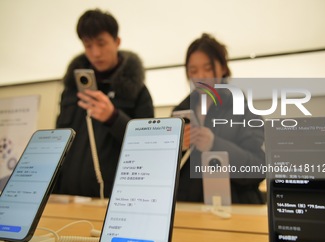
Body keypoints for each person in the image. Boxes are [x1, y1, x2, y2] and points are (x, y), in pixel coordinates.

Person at [53, 9, 154, 198]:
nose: (95, 53)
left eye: (101, 43)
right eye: (88, 45)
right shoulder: (71, 90)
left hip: (116, 198)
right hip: (67, 196)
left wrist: (114, 118)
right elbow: (60, 144)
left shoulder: (137, 90)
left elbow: (148, 146)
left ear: (117, 42)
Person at [173, 33, 265, 204]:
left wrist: (214, 145)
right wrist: (177, 149)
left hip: (235, 209)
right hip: (189, 210)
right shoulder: (180, 112)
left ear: (223, 68)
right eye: (193, 70)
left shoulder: (243, 108)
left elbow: (258, 168)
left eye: (207, 68)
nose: (200, 75)